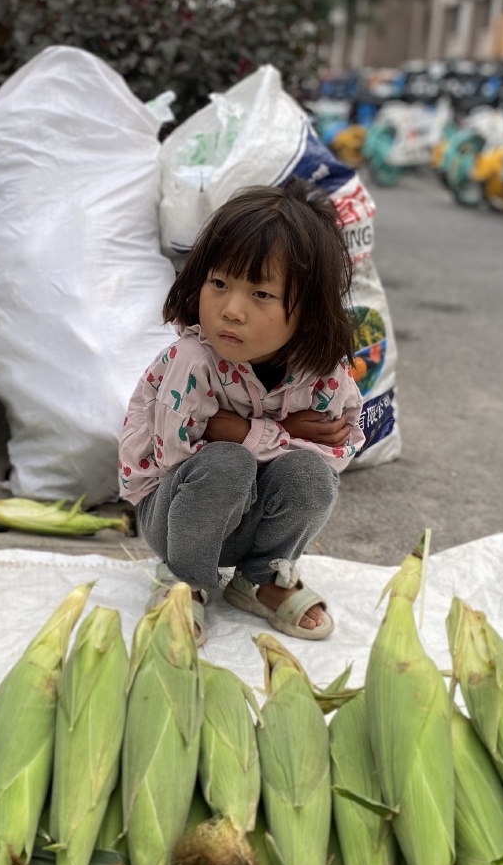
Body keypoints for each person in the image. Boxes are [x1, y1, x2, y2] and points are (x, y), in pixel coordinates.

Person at [118, 177, 366, 644]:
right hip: (175, 517)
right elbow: (175, 454)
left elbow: (337, 450)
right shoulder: (194, 360)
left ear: (308, 311)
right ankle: (184, 582)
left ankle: (260, 578)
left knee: (310, 475)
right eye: (219, 283)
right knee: (225, 463)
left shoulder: (324, 374)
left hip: (253, 523)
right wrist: (267, 436)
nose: (231, 310)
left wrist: (245, 429)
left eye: (261, 294)